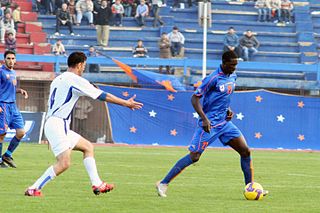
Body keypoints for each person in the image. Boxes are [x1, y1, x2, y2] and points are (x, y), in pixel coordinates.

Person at [25, 51, 143, 196]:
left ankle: (97, 184)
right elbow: (101, 95)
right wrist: (126, 103)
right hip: (58, 124)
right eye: (84, 66)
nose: (84, 69)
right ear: (80, 65)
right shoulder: (75, 79)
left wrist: (51, 132)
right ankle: (34, 188)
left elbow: (52, 105)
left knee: (88, 147)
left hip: (55, 123)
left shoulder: (58, 78)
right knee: (64, 163)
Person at [156, 51, 268, 197]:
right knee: (195, 156)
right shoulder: (212, 78)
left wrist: (228, 109)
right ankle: (163, 183)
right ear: (224, 63)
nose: (235, 68)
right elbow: (194, 99)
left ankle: (250, 187)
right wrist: (204, 118)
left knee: (245, 151)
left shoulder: (232, 76)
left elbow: (222, 97)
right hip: (210, 124)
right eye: (232, 65)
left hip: (225, 123)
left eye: (236, 65)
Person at [0, 50, 28, 168]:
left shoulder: (13, 72)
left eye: (12, 58)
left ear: (15, 60)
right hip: (3, 105)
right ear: (4, 60)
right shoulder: (1, 72)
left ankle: (7, 155)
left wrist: (19, 90)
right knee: (2, 134)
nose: (11, 61)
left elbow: (8, 88)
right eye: (8, 58)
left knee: (21, 132)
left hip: (13, 106)